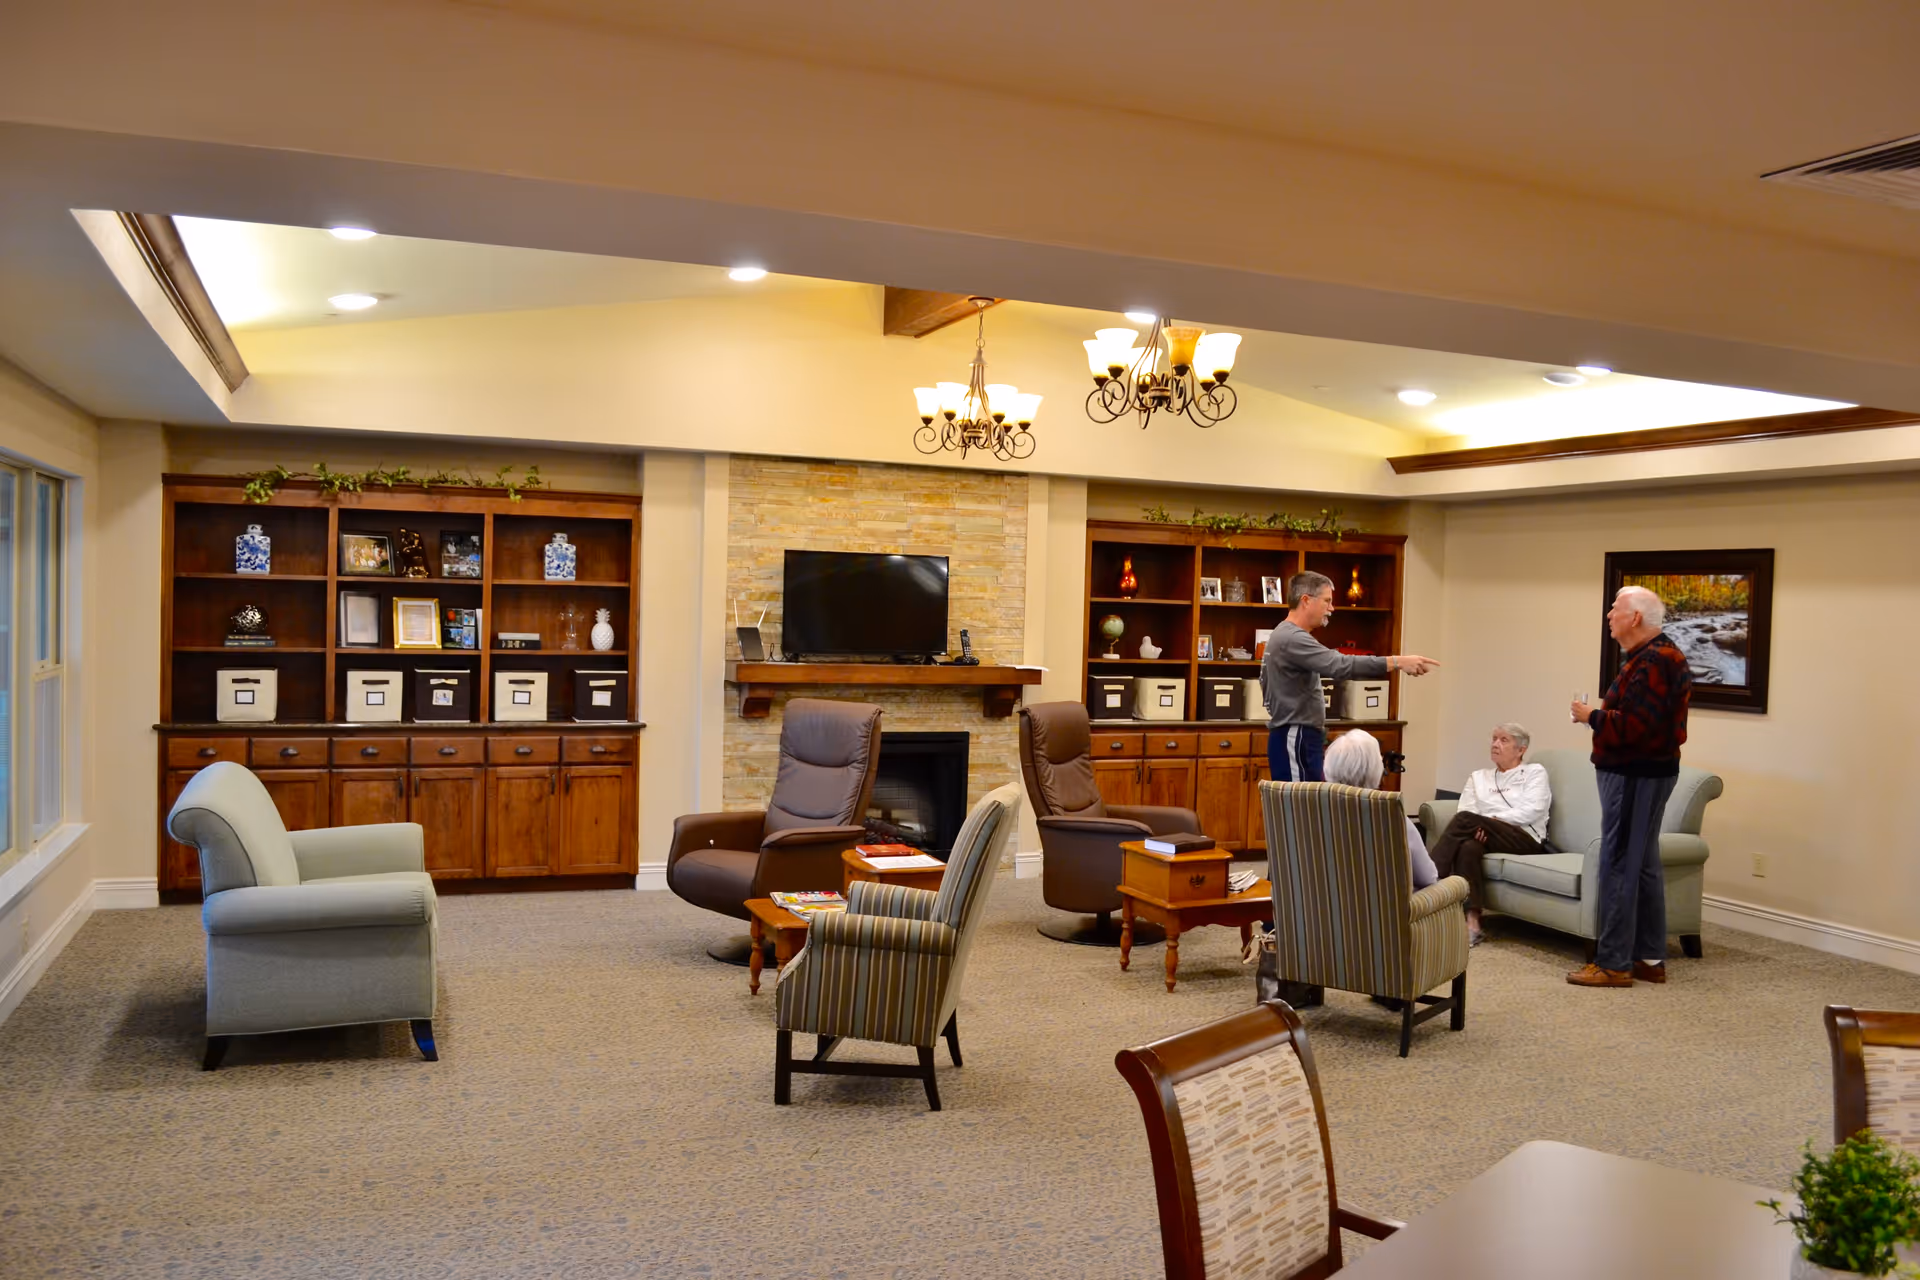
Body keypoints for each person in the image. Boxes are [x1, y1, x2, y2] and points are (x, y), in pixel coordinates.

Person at [1567, 585, 1694, 988]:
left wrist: (1592, 716)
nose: (1609, 615)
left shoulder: (1654, 661)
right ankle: (1649, 957)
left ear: (1635, 618)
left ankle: (1614, 963)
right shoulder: (1655, 657)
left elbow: (1638, 729)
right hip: (1647, 772)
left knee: (1619, 862)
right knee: (1642, 864)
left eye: (1615, 609)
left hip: (1634, 774)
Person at [1260, 571, 1437, 783]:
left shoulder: (1286, 635)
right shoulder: (1291, 638)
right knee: (1300, 808)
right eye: (1327, 601)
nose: (1331, 609)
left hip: (1299, 735)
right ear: (1306, 600)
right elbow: (1339, 665)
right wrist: (1397, 662)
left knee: (1304, 808)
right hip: (1296, 735)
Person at [1428, 723, 1551, 945]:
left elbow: (1534, 809)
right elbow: (1466, 809)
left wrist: (1492, 821)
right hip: (1486, 834)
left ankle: (1429, 880)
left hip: (1524, 837)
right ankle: (1472, 923)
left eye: (1504, 740)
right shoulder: (1479, 777)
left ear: (1521, 750)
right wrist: (1481, 827)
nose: (1495, 744)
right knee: (1468, 847)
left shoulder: (1534, 772)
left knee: (1466, 821)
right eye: (1494, 738)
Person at [1322, 730, 1438, 889]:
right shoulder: (1391, 816)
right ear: (1375, 768)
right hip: (1385, 913)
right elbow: (1428, 877)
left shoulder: (1308, 814)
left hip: (1317, 910)